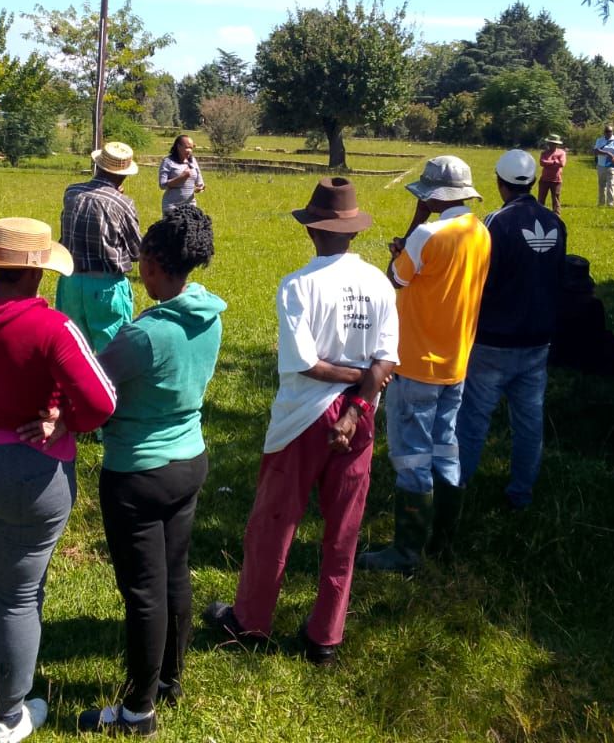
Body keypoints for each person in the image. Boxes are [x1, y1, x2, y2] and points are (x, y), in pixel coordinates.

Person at [0, 217, 117, 743]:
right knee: (17, 596)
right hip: (31, 475)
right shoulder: (52, 327)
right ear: (37, 273)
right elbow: (102, 402)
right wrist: (65, 421)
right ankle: (9, 715)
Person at [203, 179, 397, 664]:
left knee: (274, 520)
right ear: (353, 231)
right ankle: (325, 636)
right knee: (344, 529)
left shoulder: (298, 285)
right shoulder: (379, 282)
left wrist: (351, 381)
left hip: (303, 418)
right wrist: (360, 395)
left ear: (312, 230)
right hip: (361, 413)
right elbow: (387, 360)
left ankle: (251, 620)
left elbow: (305, 362)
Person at [79, 206, 224, 736]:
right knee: (174, 574)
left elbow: (93, 389)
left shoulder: (143, 335)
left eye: (142, 259)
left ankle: (138, 711)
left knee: (143, 592)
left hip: (137, 473)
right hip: (189, 460)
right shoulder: (209, 313)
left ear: (155, 264)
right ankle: (169, 680)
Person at [358, 156, 490, 572]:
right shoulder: (481, 231)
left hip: (416, 362)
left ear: (432, 197)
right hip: (456, 360)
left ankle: (407, 551)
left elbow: (395, 278)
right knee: (445, 448)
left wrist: (414, 225)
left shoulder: (427, 234)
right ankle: (442, 542)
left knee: (413, 456)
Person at [457, 150, 567, 511]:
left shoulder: (495, 222)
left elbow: (480, 277)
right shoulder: (555, 222)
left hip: (494, 339)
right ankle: (521, 494)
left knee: (473, 419)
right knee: (529, 422)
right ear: (534, 181)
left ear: (499, 181)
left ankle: (456, 491)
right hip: (538, 338)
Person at [57, 141, 143, 351]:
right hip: (106, 286)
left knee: (73, 351)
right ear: (124, 175)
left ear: (98, 165)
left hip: (70, 282)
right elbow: (136, 251)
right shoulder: (122, 203)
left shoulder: (72, 192)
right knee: (112, 354)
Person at [549, 255, 614, 391]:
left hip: (557, 353)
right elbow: (597, 336)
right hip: (584, 355)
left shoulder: (552, 302)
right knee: (609, 342)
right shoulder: (593, 305)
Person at [157, 134, 205, 215]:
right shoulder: (168, 161)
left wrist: (200, 188)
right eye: (187, 147)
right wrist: (182, 177)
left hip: (190, 206)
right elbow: (162, 185)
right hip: (172, 207)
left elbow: (200, 183)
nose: (189, 150)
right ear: (178, 147)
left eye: (191, 148)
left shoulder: (193, 161)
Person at [593, 125, 614, 208]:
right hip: (601, 165)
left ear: (612, 132)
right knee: (602, 185)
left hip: (612, 165)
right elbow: (595, 151)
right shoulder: (600, 140)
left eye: (610, 131)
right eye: (607, 131)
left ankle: (610, 204)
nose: (608, 133)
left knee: (611, 184)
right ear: (604, 132)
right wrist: (607, 153)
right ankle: (601, 203)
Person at [537, 134, 567, 215]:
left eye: (554, 144)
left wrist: (548, 163)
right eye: (550, 143)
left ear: (557, 144)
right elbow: (542, 162)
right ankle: (539, 214)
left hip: (556, 180)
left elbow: (562, 163)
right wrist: (554, 162)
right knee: (541, 199)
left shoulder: (561, 153)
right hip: (544, 179)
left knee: (556, 198)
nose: (552, 145)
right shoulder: (544, 153)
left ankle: (556, 215)